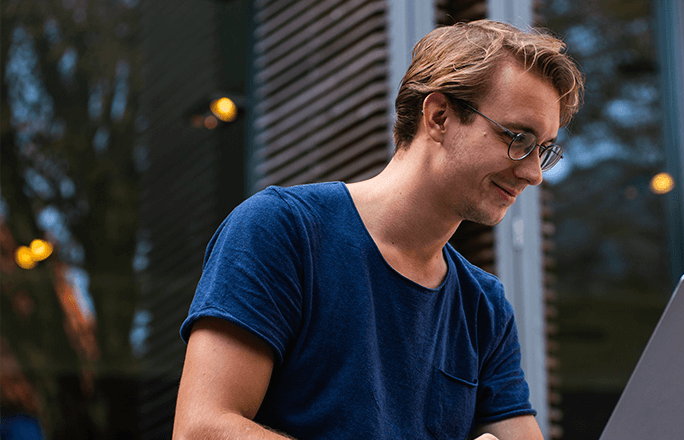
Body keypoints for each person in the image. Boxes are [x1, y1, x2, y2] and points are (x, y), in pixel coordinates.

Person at [172, 19, 583, 440]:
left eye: (544, 150)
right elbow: (202, 429)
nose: (534, 173)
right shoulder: (283, 230)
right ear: (439, 116)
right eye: (517, 137)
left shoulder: (484, 308)